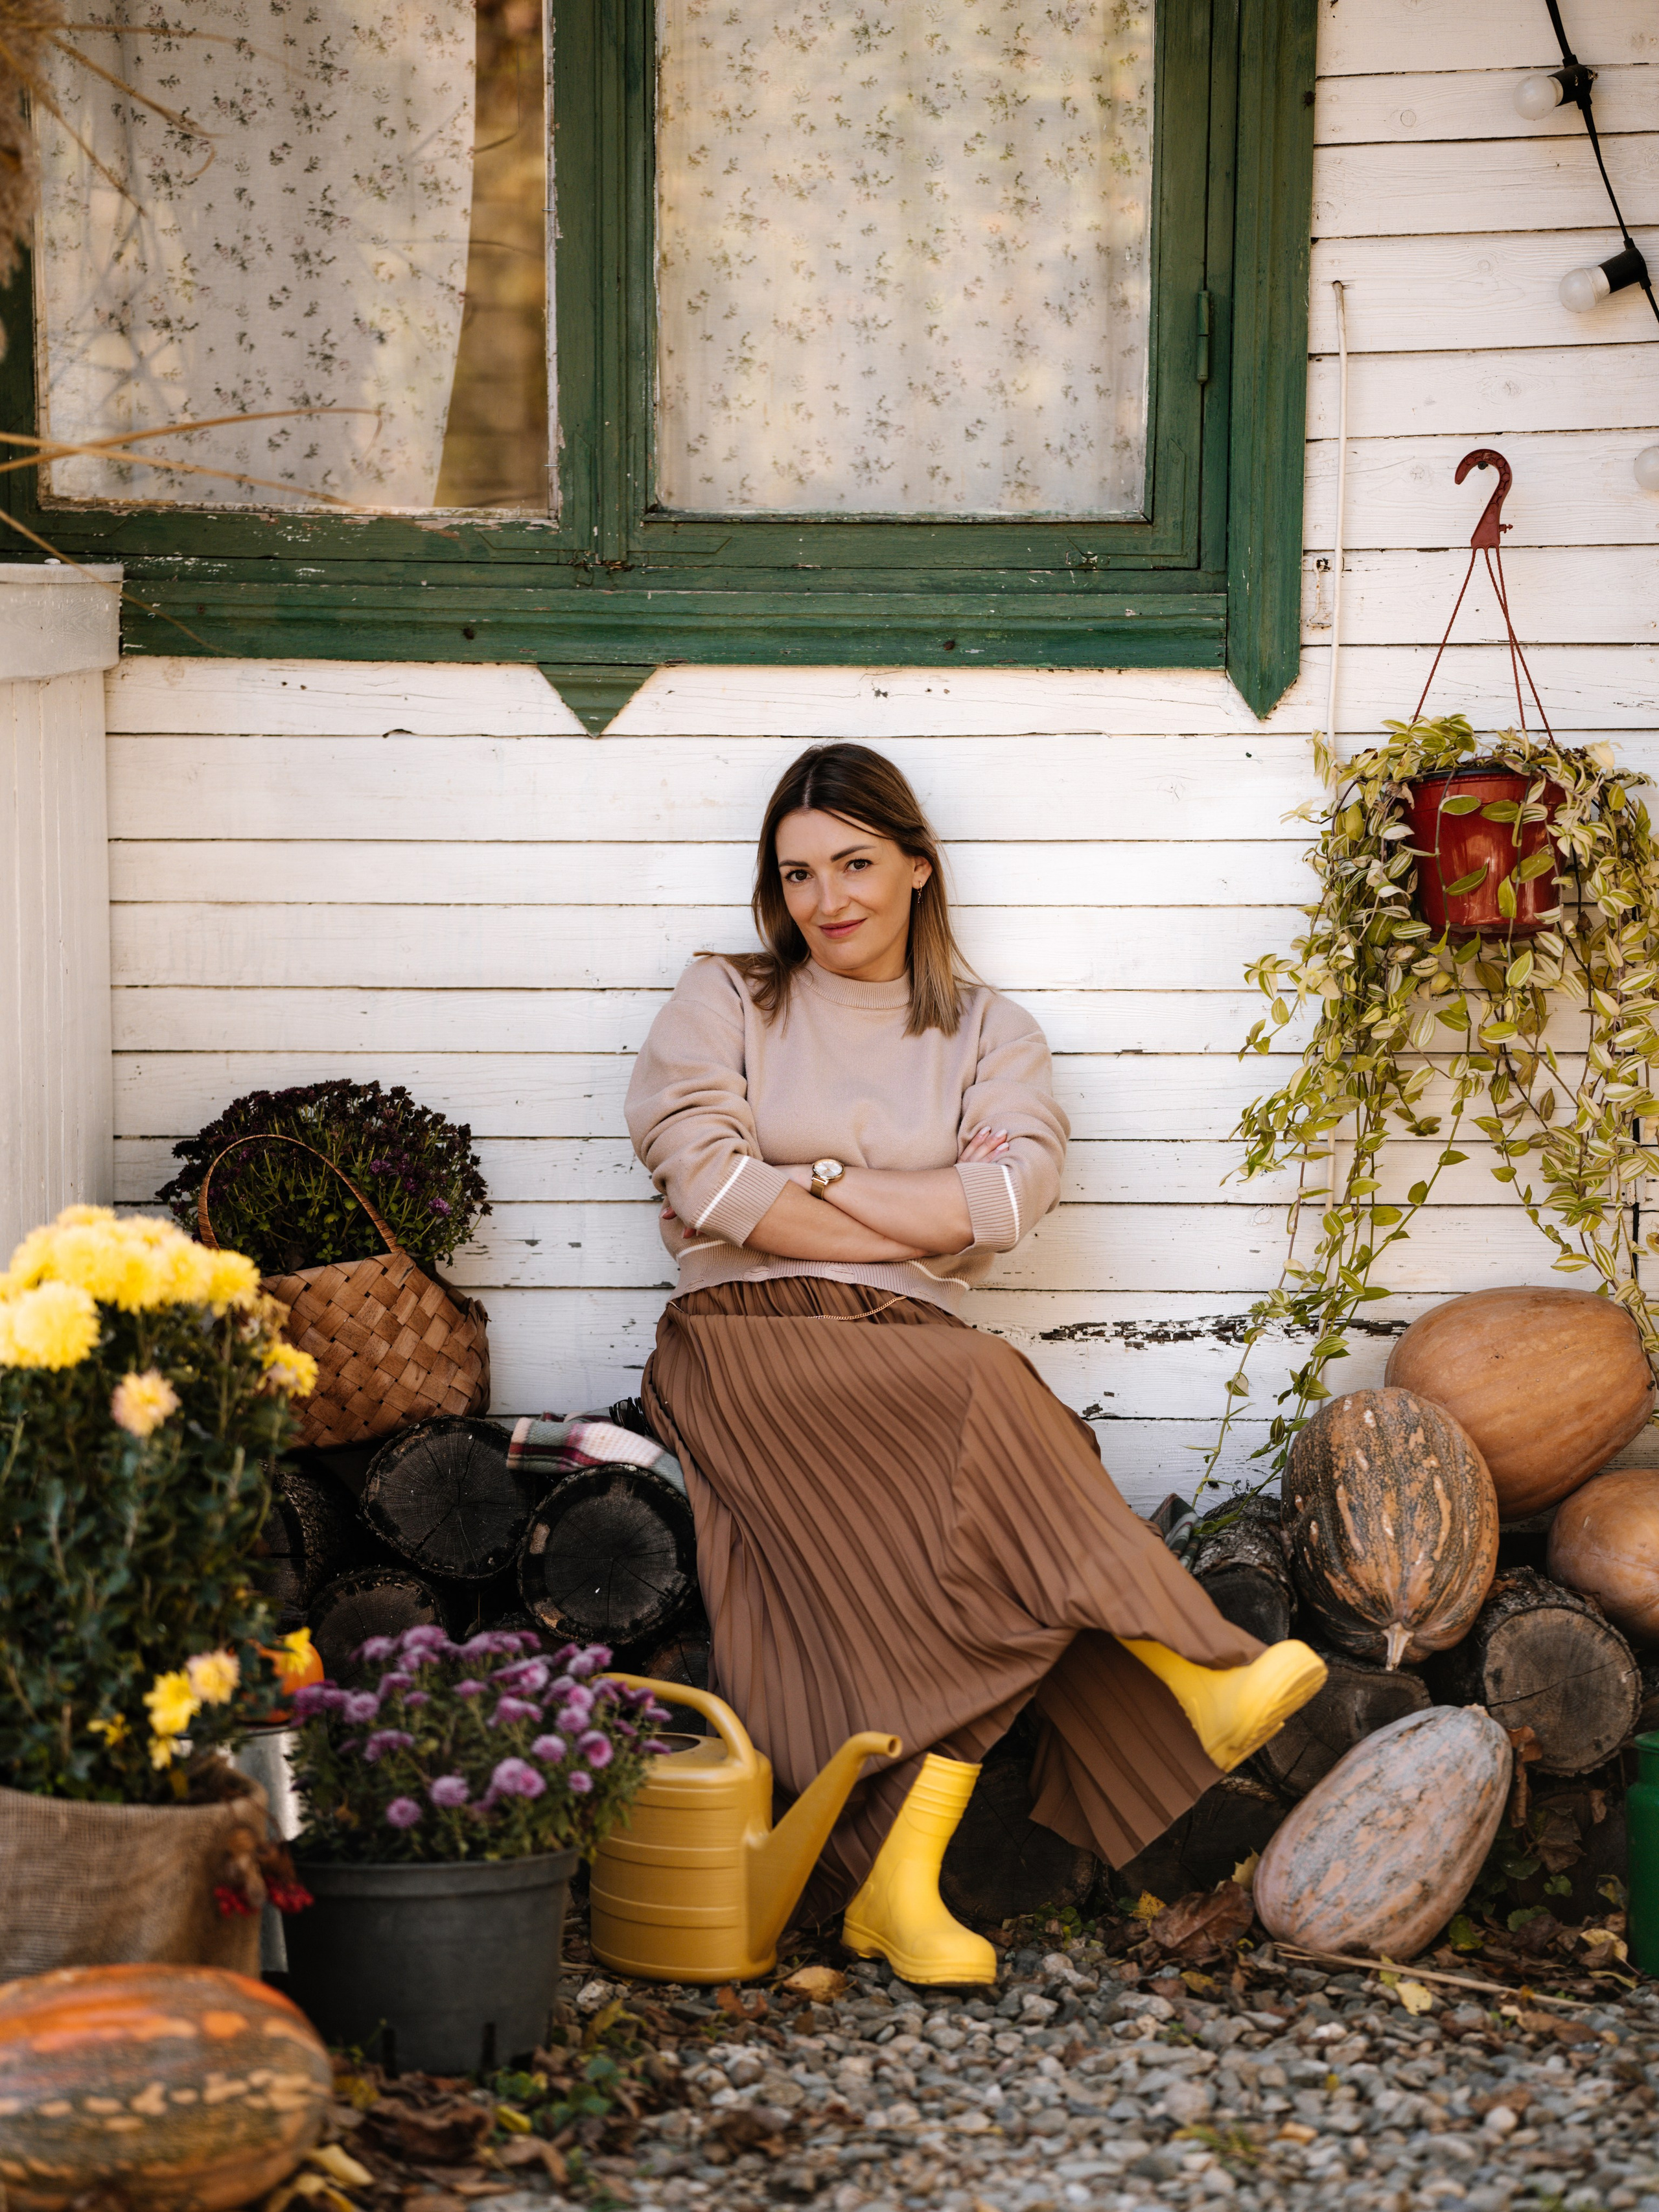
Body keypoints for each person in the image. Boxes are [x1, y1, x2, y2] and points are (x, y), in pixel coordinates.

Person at [625, 742, 1324, 1984]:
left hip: (904, 1350)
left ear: (916, 868)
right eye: (797, 875)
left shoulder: (991, 1030)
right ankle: (1195, 1662)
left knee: (997, 1514)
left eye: (854, 864)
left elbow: (1006, 1202)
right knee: (1006, 1404)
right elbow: (707, 1178)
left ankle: (896, 1882)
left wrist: (815, 1185)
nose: (827, 899)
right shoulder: (727, 998)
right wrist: (905, 1205)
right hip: (746, 1345)